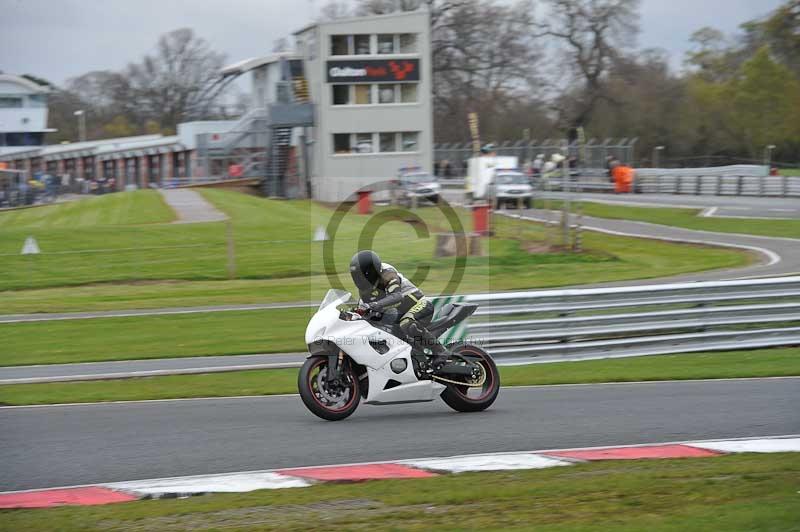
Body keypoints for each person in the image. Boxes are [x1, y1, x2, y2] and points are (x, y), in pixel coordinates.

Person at [350, 250, 450, 371]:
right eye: (356, 275)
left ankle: (440, 351)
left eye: (361, 275)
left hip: (419, 305)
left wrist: (375, 305)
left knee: (407, 323)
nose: (358, 279)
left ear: (370, 272)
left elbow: (397, 297)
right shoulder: (365, 289)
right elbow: (363, 308)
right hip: (398, 314)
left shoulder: (388, 274)